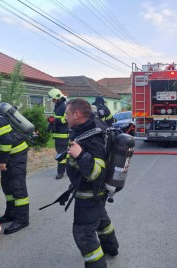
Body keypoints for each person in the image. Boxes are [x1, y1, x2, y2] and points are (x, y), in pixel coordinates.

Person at [65, 98, 119, 268]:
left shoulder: (92, 137)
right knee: (101, 220)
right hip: (97, 193)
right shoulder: (91, 126)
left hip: (89, 192)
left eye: (67, 114)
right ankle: (112, 248)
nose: (65, 117)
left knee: (84, 233)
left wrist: (81, 156)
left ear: (76, 114)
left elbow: (97, 173)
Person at [48, 88, 69, 180]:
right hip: (58, 134)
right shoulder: (58, 106)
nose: (52, 101)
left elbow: (65, 120)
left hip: (63, 135)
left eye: (53, 99)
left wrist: (54, 120)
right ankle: (69, 168)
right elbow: (56, 119)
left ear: (57, 97)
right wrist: (49, 126)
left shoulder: (63, 107)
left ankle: (60, 172)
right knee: (62, 153)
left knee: (61, 154)